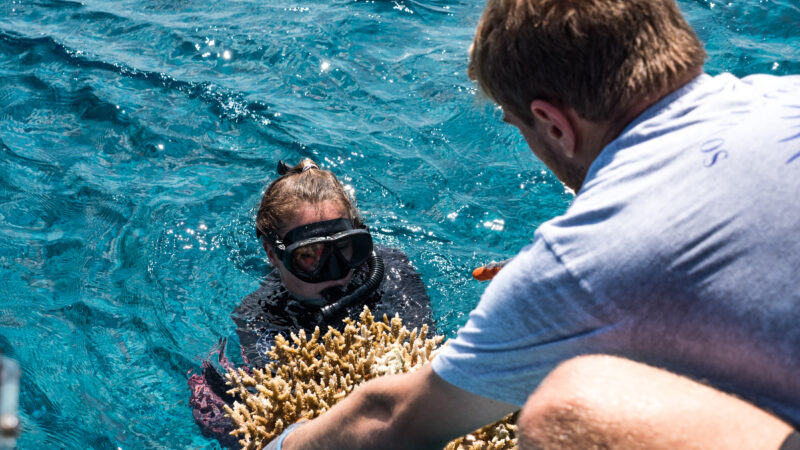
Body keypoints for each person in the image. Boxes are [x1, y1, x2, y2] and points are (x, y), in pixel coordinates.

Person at [266, 0, 800, 449]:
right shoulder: (785, 94)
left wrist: (282, 441)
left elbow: (391, 419)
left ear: (552, 124)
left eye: (519, 125)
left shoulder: (580, 262)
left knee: (565, 409)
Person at [188, 158, 435, 448]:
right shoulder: (261, 315)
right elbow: (279, 405)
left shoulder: (391, 269)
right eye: (309, 256)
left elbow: (425, 359)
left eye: (344, 248)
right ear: (272, 253)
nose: (335, 271)